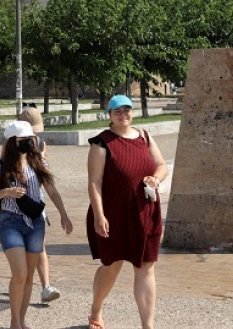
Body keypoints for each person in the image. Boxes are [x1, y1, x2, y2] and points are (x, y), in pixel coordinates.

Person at [86, 94, 169, 329]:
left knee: (145, 267)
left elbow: (162, 165)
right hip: (113, 212)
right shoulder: (101, 142)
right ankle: (96, 310)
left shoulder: (144, 136)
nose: (123, 115)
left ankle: (147, 325)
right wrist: (99, 215)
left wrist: (155, 178)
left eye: (127, 110)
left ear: (132, 112)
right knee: (112, 266)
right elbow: (95, 182)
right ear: (109, 115)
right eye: (117, 111)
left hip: (144, 210)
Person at [0, 120, 73, 329]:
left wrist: (64, 214)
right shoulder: (0, 166)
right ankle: (14, 322)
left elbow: (51, 190)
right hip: (10, 222)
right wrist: (6, 192)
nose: (28, 142)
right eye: (23, 139)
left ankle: (22, 320)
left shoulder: (38, 161)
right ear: (13, 142)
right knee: (20, 273)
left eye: (30, 138)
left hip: (35, 222)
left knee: (30, 275)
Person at [17, 106, 62, 304]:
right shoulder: (14, 144)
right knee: (21, 246)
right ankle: (23, 282)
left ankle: (45, 286)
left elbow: (45, 169)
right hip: (16, 201)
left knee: (39, 244)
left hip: (35, 199)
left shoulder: (40, 143)